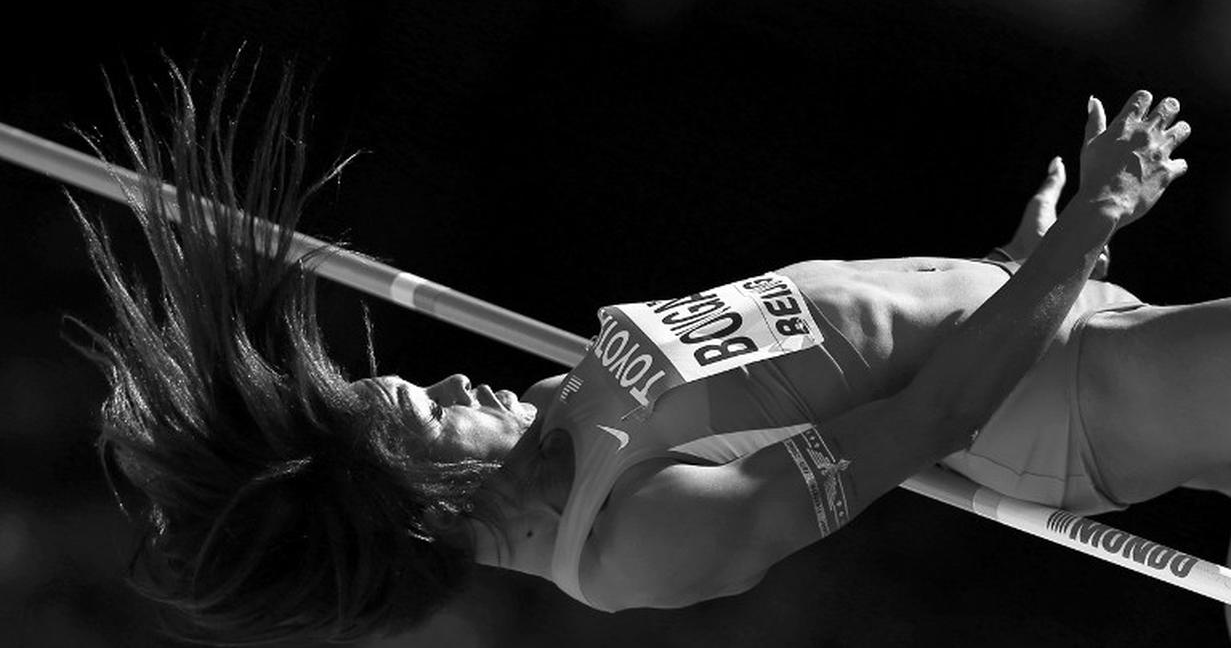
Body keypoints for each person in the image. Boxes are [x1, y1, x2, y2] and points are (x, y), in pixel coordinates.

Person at [70, 59, 1195, 643]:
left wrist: (1018, 264)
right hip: (1075, 399)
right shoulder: (632, 541)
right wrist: (1097, 221)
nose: (455, 375)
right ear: (429, 498)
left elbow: (835, 350)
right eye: (425, 406)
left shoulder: (560, 407)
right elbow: (926, 422)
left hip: (1052, 325)